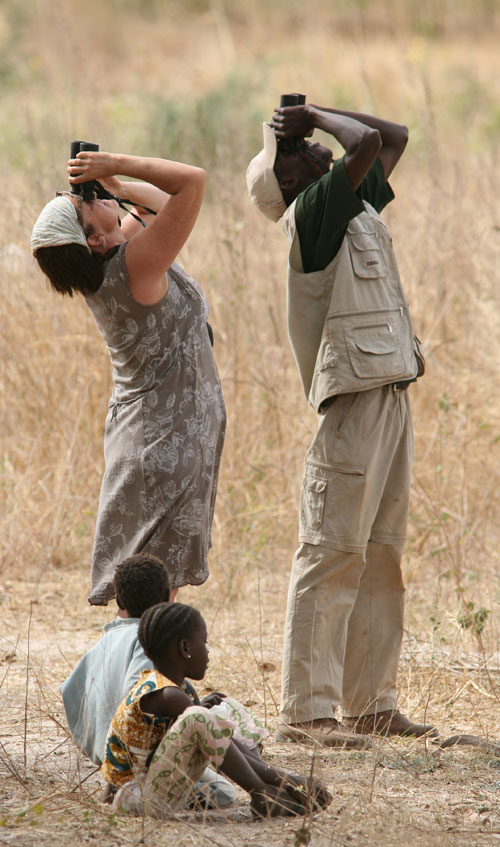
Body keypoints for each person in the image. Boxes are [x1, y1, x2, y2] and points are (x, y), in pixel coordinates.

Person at [246, 100, 437, 746]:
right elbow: (358, 147)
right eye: (298, 151)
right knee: (332, 551)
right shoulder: (317, 210)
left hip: (388, 389)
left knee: (381, 554)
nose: (314, 148)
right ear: (292, 181)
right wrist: (317, 117)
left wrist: (310, 113)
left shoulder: (353, 207)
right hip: (353, 399)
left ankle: (371, 702)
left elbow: (393, 136)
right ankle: (305, 711)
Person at [31, 149, 226, 605]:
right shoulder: (135, 266)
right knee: (155, 597)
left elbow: (156, 204)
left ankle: (139, 673)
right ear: (94, 239)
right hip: (167, 443)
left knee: (147, 593)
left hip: (149, 440)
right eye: (83, 202)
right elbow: (191, 181)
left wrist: (114, 189)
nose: (89, 194)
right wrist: (113, 164)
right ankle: (147, 674)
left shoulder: (117, 263)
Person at [101, 602, 332, 818]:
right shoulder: (167, 695)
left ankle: (268, 790)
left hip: (148, 788)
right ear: (185, 647)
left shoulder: (177, 689)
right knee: (201, 717)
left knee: (218, 717)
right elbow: (206, 727)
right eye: (205, 641)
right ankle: (262, 794)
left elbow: (225, 740)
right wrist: (288, 780)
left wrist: (288, 780)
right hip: (136, 797)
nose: (208, 651)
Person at [60, 552, 236, 808]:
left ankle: (119, 782)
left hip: (111, 757)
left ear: (119, 599)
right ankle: (139, 795)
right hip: (138, 761)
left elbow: (69, 691)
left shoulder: (104, 641)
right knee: (222, 792)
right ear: (167, 596)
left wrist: (98, 746)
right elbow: (138, 695)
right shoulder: (147, 643)